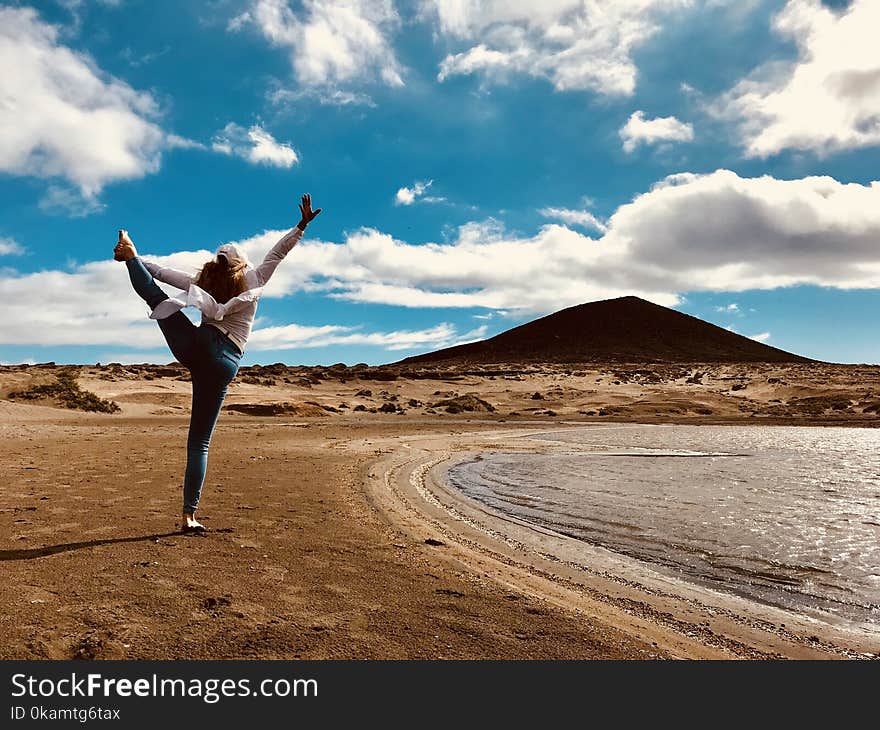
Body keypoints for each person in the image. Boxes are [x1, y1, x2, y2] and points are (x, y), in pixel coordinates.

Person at [114, 194, 322, 532]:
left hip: (195, 347)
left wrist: (136, 260)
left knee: (157, 296)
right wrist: (301, 226)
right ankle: (189, 515)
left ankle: (129, 255)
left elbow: (162, 274)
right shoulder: (254, 279)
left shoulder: (204, 282)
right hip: (225, 358)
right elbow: (278, 253)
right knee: (200, 442)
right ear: (241, 262)